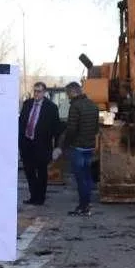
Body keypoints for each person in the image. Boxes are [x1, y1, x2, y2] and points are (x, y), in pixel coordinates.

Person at [18, 81, 62, 205]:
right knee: (29, 172)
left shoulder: (51, 108)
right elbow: (21, 123)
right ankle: (33, 196)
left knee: (41, 173)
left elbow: (56, 128)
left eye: (39, 91)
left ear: (44, 92)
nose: (36, 93)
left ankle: (40, 198)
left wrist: (57, 147)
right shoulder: (27, 104)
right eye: (35, 91)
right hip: (27, 144)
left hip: (42, 145)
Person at [60, 81, 100, 215]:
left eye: (67, 94)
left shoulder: (75, 107)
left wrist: (65, 145)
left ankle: (83, 207)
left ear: (72, 92)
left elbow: (71, 129)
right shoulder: (93, 105)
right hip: (89, 148)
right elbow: (96, 128)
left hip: (78, 148)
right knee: (87, 178)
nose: (67, 97)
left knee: (80, 179)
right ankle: (87, 205)